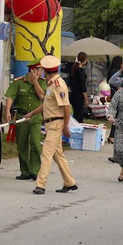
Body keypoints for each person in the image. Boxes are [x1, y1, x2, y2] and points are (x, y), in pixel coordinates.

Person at [23, 55, 77, 195]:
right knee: (57, 154)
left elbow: (66, 107)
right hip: (51, 123)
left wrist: (65, 126)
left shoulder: (58, 85)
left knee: (46, 153)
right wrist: (31, 113)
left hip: (56, 123)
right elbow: (46, 103)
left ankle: (41, 184)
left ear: (45, 71)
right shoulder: (52, 84)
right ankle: (70, 182)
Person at [4, 57, 47, 181]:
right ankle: (25, 171)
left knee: (35, 143)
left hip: (35, 117)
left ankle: (34, 171)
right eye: (40, 69)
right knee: (22, 144)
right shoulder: (19, 82)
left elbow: (42, 95)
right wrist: (7, 111)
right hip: (21, 117)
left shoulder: (42, 82)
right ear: (34, 70)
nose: (42, 72)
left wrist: (35, 82)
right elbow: (10, 96)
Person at [106, 56, 123, 144]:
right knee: (117, 116)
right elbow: (117, 84)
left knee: (116, 116)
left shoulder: (111, 71)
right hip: (117, 96)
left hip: (114, 95)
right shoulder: (116, 72)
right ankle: (112, 136)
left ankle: (113, 136)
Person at [70, 52, 89, 123]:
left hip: (73, 94)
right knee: (79, 113)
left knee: (75, 112)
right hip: (79, 95)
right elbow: (83, 86)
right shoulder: (81, 72)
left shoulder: (74, 69)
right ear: (84, 60)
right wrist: (86, 98)